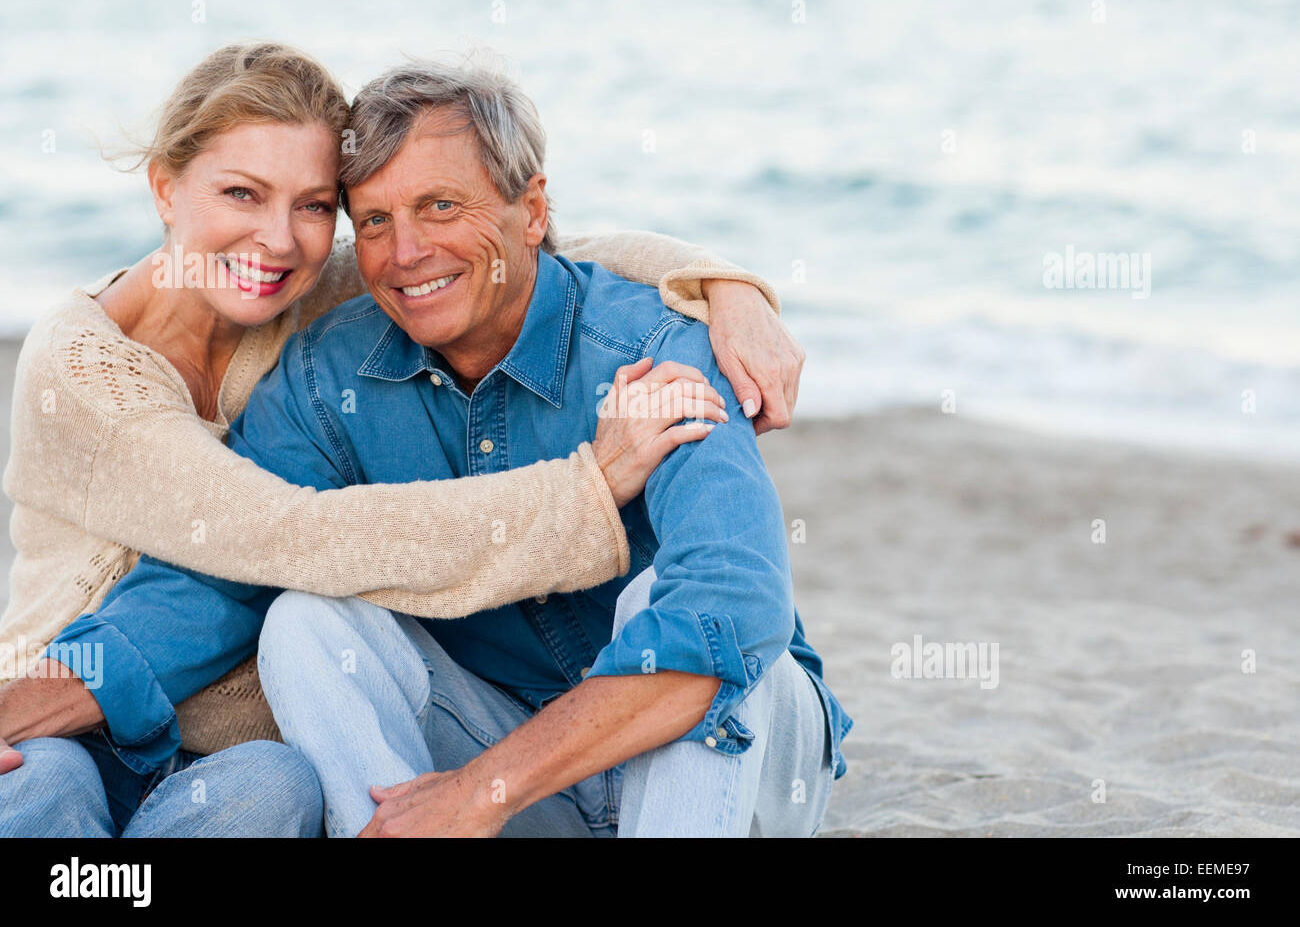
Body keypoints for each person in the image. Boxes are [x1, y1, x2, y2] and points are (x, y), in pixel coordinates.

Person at [15, 57, 852, 838]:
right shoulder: (322, 368)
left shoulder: (659, 347)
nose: (407, 253)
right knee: (308, 621)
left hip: (724, 776)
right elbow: (218, 577)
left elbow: (731, 612)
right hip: (502, 753)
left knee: (690, 623)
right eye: (373, 220)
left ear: (533, 208)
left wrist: (729, 285)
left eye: (441, 207)